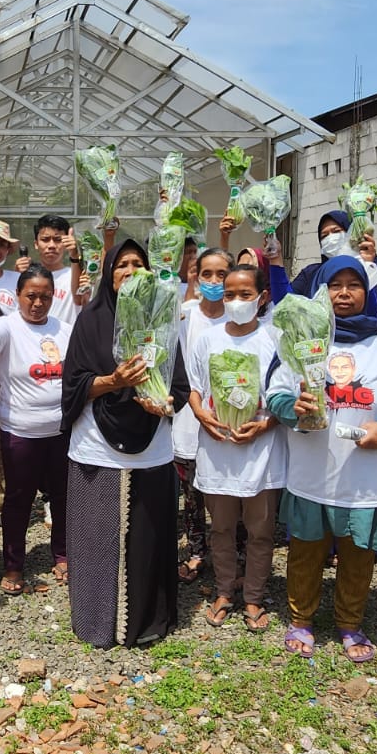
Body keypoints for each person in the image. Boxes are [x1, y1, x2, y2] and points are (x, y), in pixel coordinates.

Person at [269, 256, 377, 662]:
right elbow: (276, 394)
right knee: (306, 551)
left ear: (366, 293)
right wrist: (295, 409)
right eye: (333, 285)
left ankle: (350, 623)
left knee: (358, 554)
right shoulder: (302, 335)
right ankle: (301, 618)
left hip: (365, 475)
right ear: (319, 291)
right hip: (313, 472)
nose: (343, 293)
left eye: (353, 285)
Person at [60, 241, 190, 648]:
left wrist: (165, 402)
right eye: (121, 264)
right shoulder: (91, 320)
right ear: (108, 273)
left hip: (151, 442)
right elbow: (74, 383)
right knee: (96, 535)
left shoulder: (162, 320)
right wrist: (113, 382)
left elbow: (179, 384)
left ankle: (147, 621)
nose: (130, 271)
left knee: (148, 535)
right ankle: (96, 620)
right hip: (97, 444)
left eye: (138, 264)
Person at [187, 264, 284, 631]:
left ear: (262, 298)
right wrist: (201, 414)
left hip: (262, 451)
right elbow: (195, 389)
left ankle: (254, 596)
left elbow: (287, 394)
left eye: (246, 295)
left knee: (260, 531)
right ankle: (225, 590)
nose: (236, 301)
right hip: (218, 448)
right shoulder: (207, 339)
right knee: (222, 528)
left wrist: (266, 424)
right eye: (230, 295)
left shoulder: (274, 340)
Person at [0, 264, 74, 593]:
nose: (38, 303)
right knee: (18, 500)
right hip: (20, 432)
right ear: (17, 295)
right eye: (31, 296)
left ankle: (62, 554)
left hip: (61, 432)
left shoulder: (64, 329)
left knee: (62, 496)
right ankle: (14, 565)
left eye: (45, 297)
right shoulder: (6, 326)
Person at [173, 247, 232, 584]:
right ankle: (197, 551)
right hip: (187, 418)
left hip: (229, 420)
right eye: (206, 273)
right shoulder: (184, 315)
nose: (213, 281)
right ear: (194, 276)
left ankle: (234, 554)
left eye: (221, 274)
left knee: (228, 493)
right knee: (192, 494)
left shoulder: (240, 319)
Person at [31, 214, 86, 323]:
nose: (51, 245)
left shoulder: (77, 276)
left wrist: (75, 255)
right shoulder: (26, 278)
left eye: (58, 239)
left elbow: (80, 299)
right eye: (45, 239)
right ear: (36, 244)